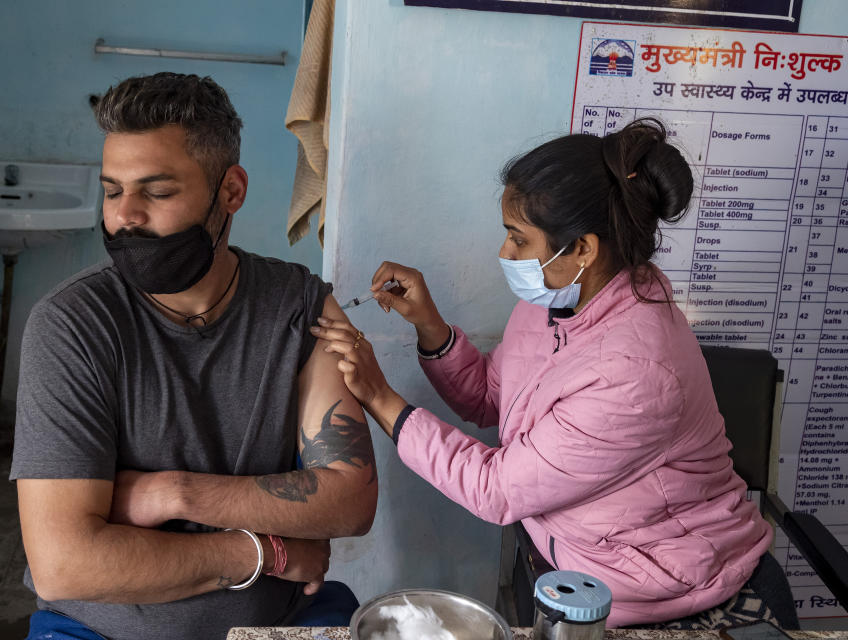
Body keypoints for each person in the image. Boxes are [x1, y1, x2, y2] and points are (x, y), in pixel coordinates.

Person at [311, 119, 797, 629]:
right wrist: (430, 325)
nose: (506, 254)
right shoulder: (559, 301)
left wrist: (381, 398)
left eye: (519, 240)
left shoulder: (636, 376)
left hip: (663, 586)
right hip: (575, 555)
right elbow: (490, 399)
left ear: (583, 249)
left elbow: (495, 489)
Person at [10, 72, 377, 640]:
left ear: (230, 191)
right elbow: (64, 565)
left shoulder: (301, 306)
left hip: (279, 622)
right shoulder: (72, 326)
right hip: (94, 631)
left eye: (156, 192)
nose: (125, 215)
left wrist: (174, 493)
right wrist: (265, 552)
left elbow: (350, 500)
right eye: (112, 190)